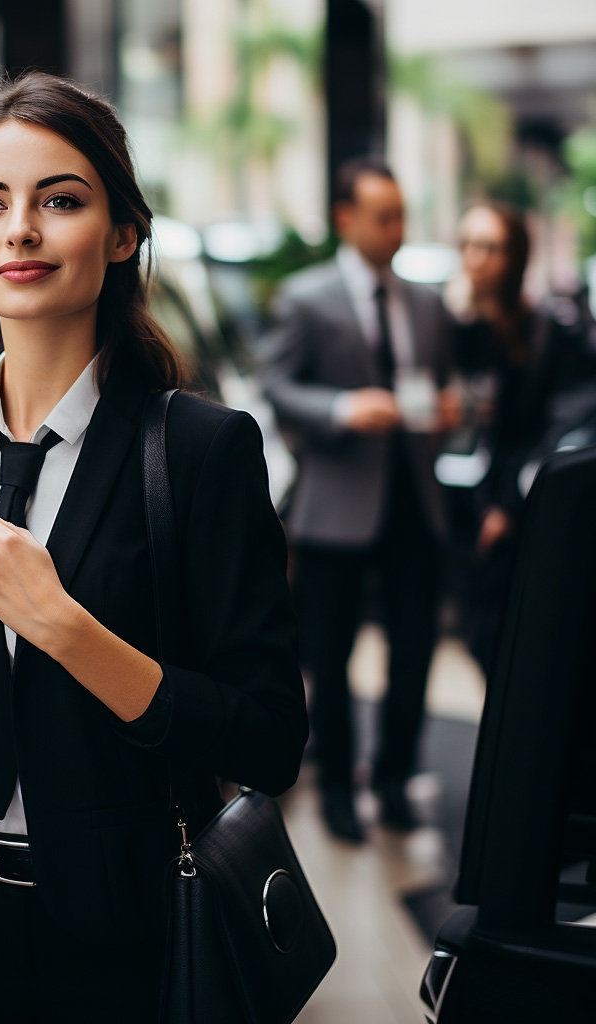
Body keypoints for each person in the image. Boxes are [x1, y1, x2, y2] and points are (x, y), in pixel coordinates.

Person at [0, 72, 308, 1023]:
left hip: (128, 943)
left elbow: (270, 740)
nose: (18, 229)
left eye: (58, 200)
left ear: (121, 234)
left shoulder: (200, 451)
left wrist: (65, 628)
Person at [262, 156, 460, 844]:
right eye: (384, 215)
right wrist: (343, 408)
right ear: (346, 219)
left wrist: (448, 407)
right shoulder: (306, 298)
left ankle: (399, 779)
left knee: (414, 652)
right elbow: (278, 386)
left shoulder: (428, 303)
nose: (397, 228)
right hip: (338, 502)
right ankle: (340, 789)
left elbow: (442, 383)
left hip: (414, 500)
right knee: (330, 656)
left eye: (402, 214)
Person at [447, 200, 587, 671]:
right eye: (467, 244)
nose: (475, 258)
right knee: (478, 633)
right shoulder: (460, 327)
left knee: (508, 638)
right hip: (461, 501)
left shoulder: (550, 330)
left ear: (517, 256)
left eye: (491, 247)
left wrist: (508, 505)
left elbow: (557, 424)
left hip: (521, 506)